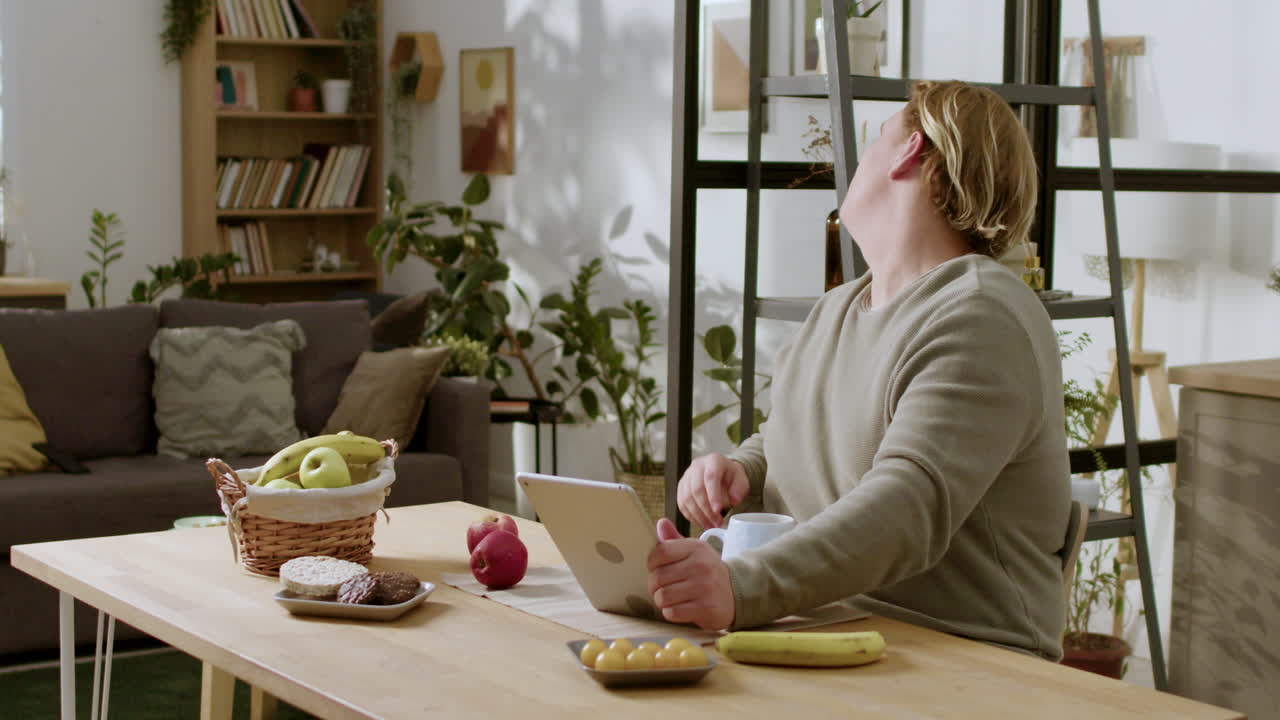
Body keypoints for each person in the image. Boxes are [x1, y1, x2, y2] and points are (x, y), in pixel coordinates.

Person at [646, 80, 1071, 660]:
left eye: (878, 137)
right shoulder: (838, 309)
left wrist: (742, 586)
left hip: (959, 656)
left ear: (909, 151)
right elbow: (792, 436)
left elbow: (906, 508)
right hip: (825, 629)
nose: (859, 160)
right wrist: (742, 470)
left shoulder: (981, 315)